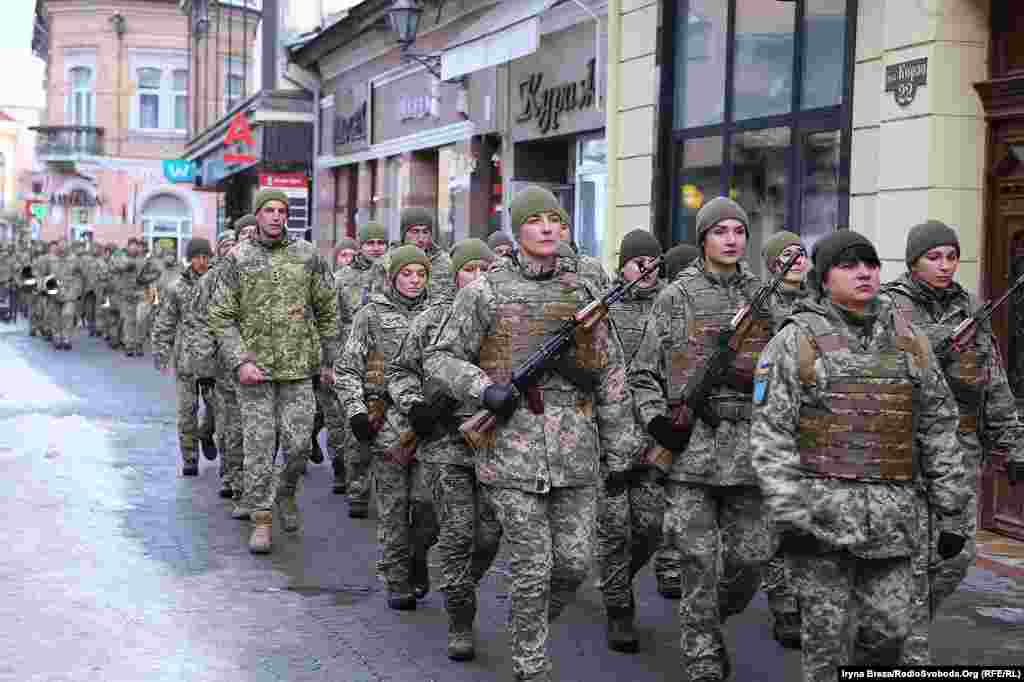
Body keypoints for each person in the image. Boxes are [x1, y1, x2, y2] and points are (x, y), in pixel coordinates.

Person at [425, 185, 640, 682]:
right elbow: (440, 357)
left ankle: (528, 627)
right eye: (537, 220)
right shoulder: (484, 290)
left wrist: (622, 450)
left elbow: (610, 371)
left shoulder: (586, 292)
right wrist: (483, 389)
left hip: (576, 450)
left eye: (557, 221)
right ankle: (531, 664)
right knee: (532, 564)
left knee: (572, 564)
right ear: (518, 230)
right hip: (511, 449)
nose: (549, 228)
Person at [750, 230, 967, 682]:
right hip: (823, 524)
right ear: (824, 278)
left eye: (870, 264)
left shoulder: (910, 340)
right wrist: (790, 518)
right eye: (849, 266)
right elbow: (771, 436)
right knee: (825, 647)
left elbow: (938, 423)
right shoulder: (795, 341)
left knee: (890, 633)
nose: (864, 273)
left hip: (894, 523)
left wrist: (951, 509)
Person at [629, 197, 775, 681]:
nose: (731, 239)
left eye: (739, 230)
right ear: (704, 238)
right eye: (721, 231)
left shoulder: (766, 297)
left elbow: (791, 371)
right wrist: (656, 423)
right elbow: (644, 372)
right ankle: (702, 655)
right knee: (696, 559)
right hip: (692, 454)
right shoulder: (676, 297)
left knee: (751, 558)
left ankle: (711, 620)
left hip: (751, 452)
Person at [880, 220, 1024, 663]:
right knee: (913, 561)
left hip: (959, 452)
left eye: (952, 256)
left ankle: (887, 634)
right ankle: (907, 657)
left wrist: (1013, 444)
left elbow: (992, 380)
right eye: (934, 257)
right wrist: (934, 348)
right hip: (904, 451)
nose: (946, 266)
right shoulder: (887, 305)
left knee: (957, 557)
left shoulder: (970, 308)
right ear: (913, 261)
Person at [387, 238, 501, 660]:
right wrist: (414, 405)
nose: (476, 277)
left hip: (495, 441)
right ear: (453, 276)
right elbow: (401, 371)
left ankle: (458, 585)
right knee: (456, 534)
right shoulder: (432, 319)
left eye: (483, 269)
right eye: (468, 270)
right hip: (444, 442)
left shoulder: (504, 318)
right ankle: (459, 618)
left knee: (489, 535)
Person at [208, 189, 339, 554]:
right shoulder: (238, 258)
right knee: (259, 449)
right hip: (255, 372)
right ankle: (261, 520)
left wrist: (329, 361)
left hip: (298, 371)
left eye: (282, 210)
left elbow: (328, 309)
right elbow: (220, 316)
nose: (276, 216)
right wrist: (241, 361)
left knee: (299, 445)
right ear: (258, 215)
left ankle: (285, 493)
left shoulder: (307, 255)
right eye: (269, 210)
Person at [336, 244, 439, 610]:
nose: (414, 281)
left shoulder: (441, 313)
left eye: (421, 274)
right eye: (406, 274)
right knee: (394, 509)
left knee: (429, 508)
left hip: (431, 424)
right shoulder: (371, 315)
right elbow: (347, 368)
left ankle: (418, 555)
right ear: (393, 276)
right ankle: (397, 579)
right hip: (389, 424)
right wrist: (356, 412)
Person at [597, 228, 667, 652]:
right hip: (609, 436)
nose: (646, 268)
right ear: (623, 264)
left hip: (653, 435)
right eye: (638, 261)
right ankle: (619, 609)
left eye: (653, 261)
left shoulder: (673, 305)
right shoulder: (603, 309)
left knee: (652, 526)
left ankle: (613, 576)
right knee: (613, 529)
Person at [757, 230, 811, 649]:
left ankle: (811, 597)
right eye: (787, 255)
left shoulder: (823, 301)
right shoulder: (760, 302)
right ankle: (784, 603)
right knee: (779, 516)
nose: (796, 261)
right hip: (773, 417)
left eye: (801, 254)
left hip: (816, 424)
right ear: (773, 262)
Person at [333, 221, 389, 510]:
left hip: (386, 357)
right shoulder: (342, 278)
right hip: (353, 356)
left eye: (381, 242)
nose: (376, 248)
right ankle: (357, 489)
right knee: (356, 427)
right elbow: (331, 320)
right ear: (360, 246)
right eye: (371, 243)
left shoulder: (395, 272)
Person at [193, 230, 248, 509]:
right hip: (224, 367)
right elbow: (202, 326)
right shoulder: (211, 281)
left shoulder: (260, 272)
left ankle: (249, 482)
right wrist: (204, 369)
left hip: (258, 365)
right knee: (229, 427)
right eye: (227, 244)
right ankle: (234, 480)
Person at [152, 238, 214, 477]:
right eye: (197, 257)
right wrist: (161, 351)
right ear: (190, 259)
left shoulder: (218, 284)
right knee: (187, 412)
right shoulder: (177, 287)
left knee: (218, 411)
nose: (202, 261)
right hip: (186, 361)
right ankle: (190, 458)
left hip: (212, 361)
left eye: (206, 257)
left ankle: (207, 433)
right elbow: (166, 322)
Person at [372, 207, 454, 303]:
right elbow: (376, 300)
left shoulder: (445, 263)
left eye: (425, 232)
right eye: (415, 232)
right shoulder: (385, 262)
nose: (421, 238)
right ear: (403, 233)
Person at [114, 238, 160, 357]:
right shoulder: (122, 257)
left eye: (136, 246)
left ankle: (139, 343)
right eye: (132, 246)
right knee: (129, 321)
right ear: (128, 247)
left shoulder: (147, 260)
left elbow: (157, 272)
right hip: (127, 294)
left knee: (141, 320)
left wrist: (146, 278)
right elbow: (118, 266)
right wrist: (128, 264)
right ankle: (129, 345)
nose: (134, 248)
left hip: (142, 294)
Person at [46, 239, 85, 350]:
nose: (62, 247)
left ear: (68, 246)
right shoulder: (50, 259)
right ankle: (57, 337)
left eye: (64, 245)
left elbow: (81, 275)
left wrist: (78, 290)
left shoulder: (74, 259)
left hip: (70, 292)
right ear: (57, 246)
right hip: (54, 292)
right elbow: (43, 274)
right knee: (55, 316)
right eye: (60, 245)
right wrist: (46, 288)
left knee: (67, 314)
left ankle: (66, 338)